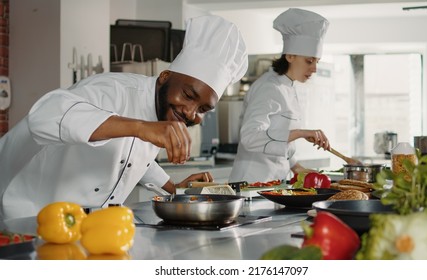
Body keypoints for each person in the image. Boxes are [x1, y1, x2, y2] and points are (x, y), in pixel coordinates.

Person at [0, 15, 248, 221]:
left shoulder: (159, 111)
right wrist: (141, 128)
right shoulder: (112, 89)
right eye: (187, 95)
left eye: (202, 109)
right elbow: (44, 116)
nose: (190, 113)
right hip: (22, 212)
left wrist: (175, 188)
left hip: (80, 224)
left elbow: (131, 157)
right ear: (164, 76)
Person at [229, 8, 330, 183]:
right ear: (290, 56)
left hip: (272, 184)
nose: (314, 69)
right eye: (309, 61)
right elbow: (250, 137)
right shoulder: (269, 88)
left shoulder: (288, 87)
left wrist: (299, 169)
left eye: (316, 62)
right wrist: (300, 133)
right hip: (251, 185)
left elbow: (281, 145)